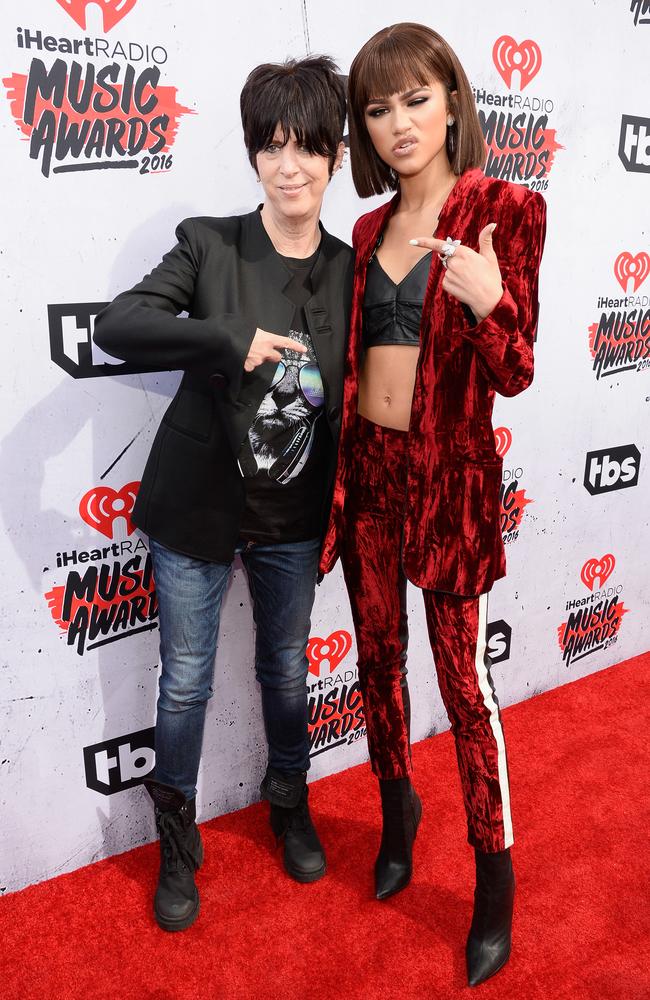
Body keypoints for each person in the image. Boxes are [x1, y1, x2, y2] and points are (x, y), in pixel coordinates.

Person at [93, 55, 352, 932]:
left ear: (336, 155)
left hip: (295, 517)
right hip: (195, 512)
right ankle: (176, 842)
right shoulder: (209, 243)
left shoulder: (357, 270)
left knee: (285, 670)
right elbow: (119, 325)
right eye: (272, 147)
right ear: (252, 156)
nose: (290, 166)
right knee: (186, 684)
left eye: (308, 146)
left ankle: (288, 802)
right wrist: (228, 337)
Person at [319, 23, 546, 987]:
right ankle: (396, 808)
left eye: (415, 99)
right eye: (377, 109)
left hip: (448, 487)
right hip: (367, 475)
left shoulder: (506, 206)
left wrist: (494, 302)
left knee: (462, 686)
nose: (399, 122)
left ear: (453, 99)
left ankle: (492, 880)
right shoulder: (366, 233)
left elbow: (521, 371)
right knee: (377, 662)